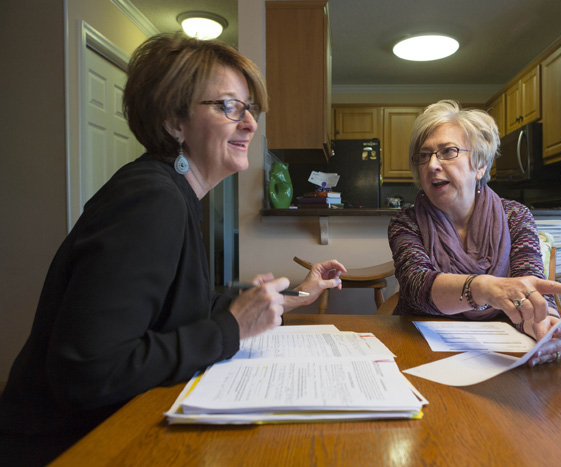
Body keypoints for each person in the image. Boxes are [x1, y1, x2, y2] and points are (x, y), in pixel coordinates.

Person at [0, 33, 346, 466]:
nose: (250, 124)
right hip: (66, 448)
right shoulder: (152, 199)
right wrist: (231, 329)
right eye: (228, 106)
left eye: (250, 109)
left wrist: (296, 294)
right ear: (173, 120)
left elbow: (182, 303)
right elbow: (87, 372)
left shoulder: (170, 193)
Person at [388, 100, 561, 366]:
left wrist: (543, 321)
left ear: (479, 166)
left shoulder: (516, 216)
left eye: (447, 151)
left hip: (499, 354)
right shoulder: (406, 222)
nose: (432, 164)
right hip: (418, 347)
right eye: (424, 155)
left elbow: (530, 284)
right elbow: (416, 286)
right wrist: (484, 288)